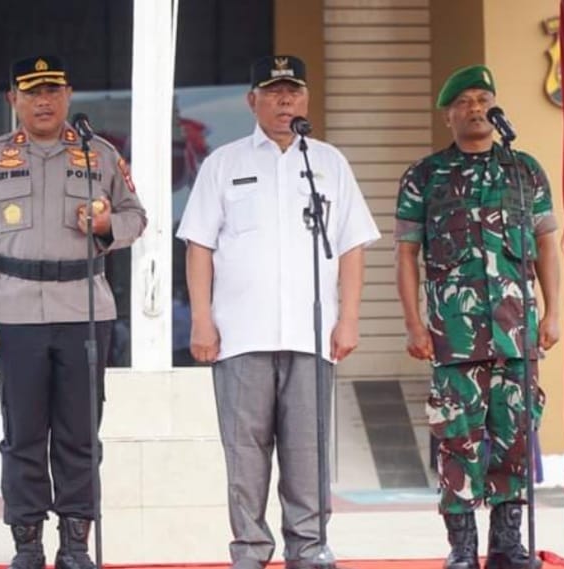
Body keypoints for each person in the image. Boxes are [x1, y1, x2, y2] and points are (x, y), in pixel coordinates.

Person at [176, 55, 380, 569]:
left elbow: (353, 245)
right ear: (253, 101)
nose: (285, 100)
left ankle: (308, 548)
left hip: (311, 334)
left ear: (306, 98)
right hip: (240, 335)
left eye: (293, 91)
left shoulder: (329, 163)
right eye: (273, 91)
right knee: (244, 454)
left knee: (307, 452)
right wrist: (201, 319)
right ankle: (249, 550)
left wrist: (349, 318)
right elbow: (198, 246)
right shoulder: (224, 163)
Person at [0, 55, 147, 569]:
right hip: (14, 312)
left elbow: (135, 216)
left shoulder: (99, 154)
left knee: (80, 435)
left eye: (53, 91)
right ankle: (28, 544)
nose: (44, 101)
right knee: (24, 437)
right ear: (13, 99)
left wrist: (106, 226)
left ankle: (76, 545)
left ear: (68, 95)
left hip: (84, 310)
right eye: (32, 92)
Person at [394, 64, 560, 569]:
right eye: (463, 101)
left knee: (516, 438)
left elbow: (547, 247)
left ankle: (507, 544)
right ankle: (462, 547)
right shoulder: (425, 176)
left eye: (483, 98)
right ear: (447, 115)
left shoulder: (524, 171)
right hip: (454, 337)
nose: (475, 108)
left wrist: (554, 313)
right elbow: (406, 255)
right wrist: (414, 324)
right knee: (457, 442)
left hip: (516, 333)